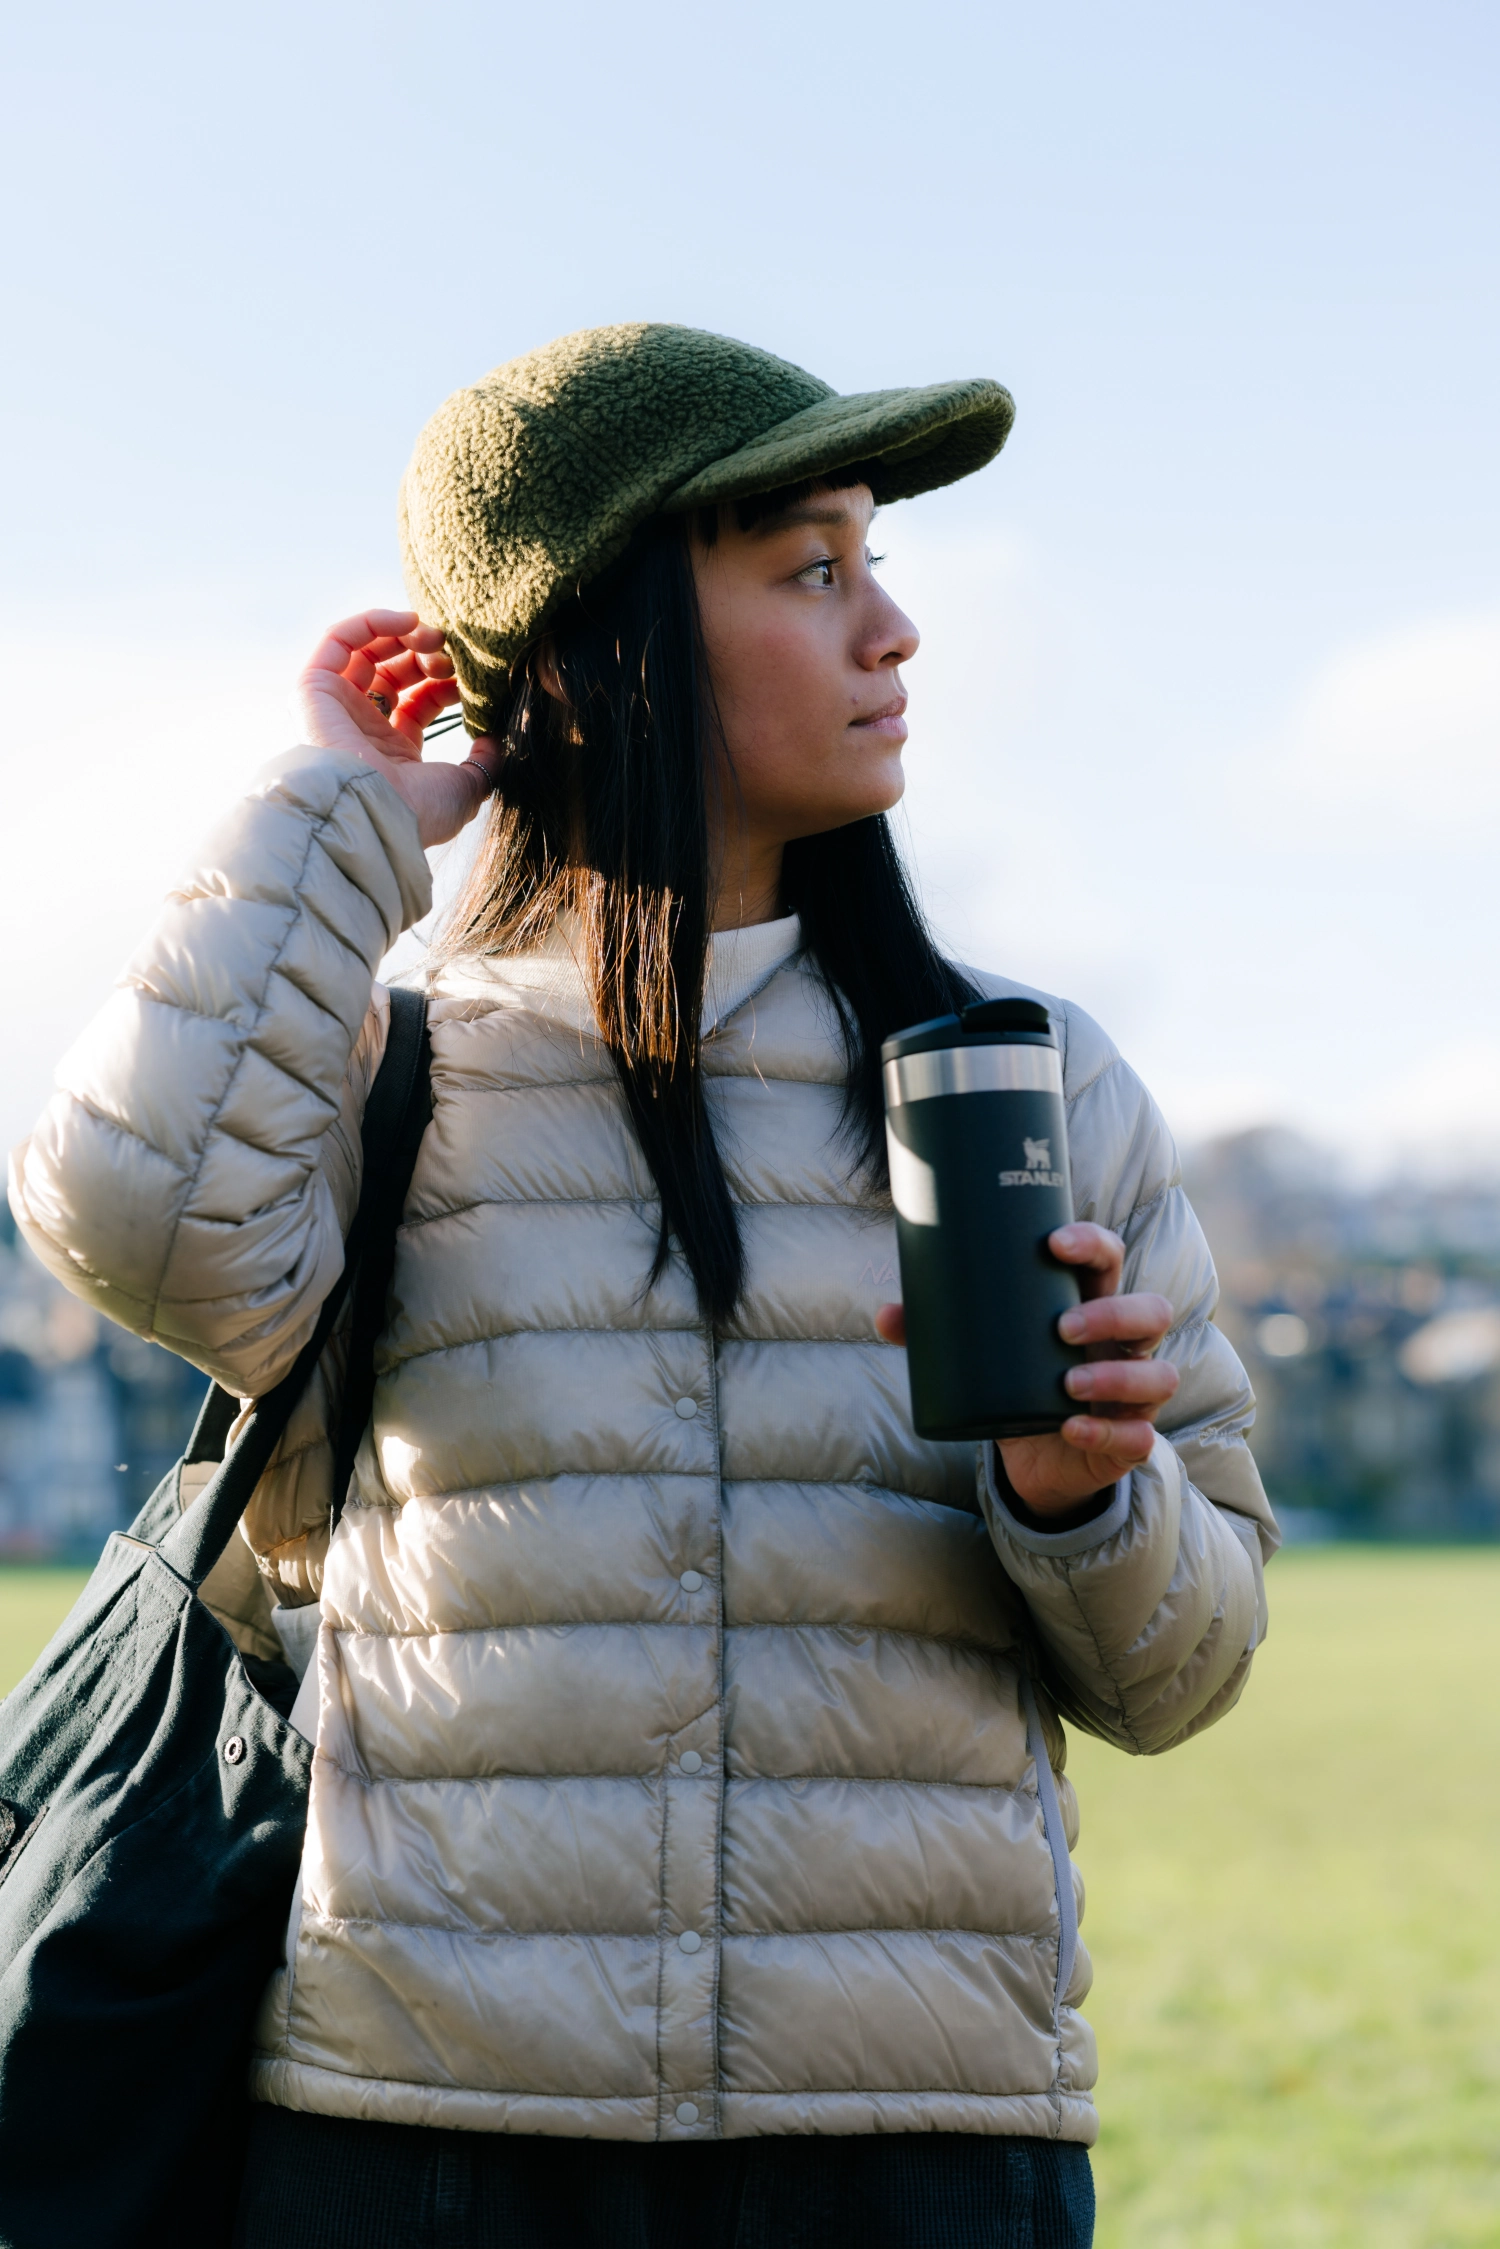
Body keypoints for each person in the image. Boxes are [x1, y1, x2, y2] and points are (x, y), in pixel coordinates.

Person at [8, 323, 1277, 2249]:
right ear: (609, 644)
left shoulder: (1026, 1088)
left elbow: (1185, 1673)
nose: (897, 631)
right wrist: (343, 805)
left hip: (915, 2150)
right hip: (418, 2135)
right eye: (812, 568)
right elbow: (131, 1212)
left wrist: (1082, 1494)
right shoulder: (384, 1076)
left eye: (878, 560)